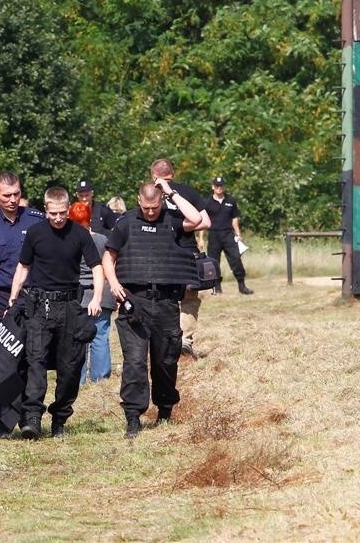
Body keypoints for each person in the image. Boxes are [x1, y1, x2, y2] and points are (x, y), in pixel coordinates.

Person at [103, 181, 202, 438]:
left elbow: (198, 219)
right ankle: (133, 417)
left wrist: (171, 192)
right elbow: (108, 256)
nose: (150, 212)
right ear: (138, 201)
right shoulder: (125, 223)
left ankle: (165, 410)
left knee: (166, 359)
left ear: (161, 201)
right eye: (146, 207)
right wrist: (113, 284)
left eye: (155, 206)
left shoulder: (172, 220)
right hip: (134, 300)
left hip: (167, 301)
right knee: (135, 361)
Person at [8, 187, 103, 439]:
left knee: (70, 367)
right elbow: (23, 267)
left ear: (68, 209)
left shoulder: (80, 234)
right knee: (35, 361)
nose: (58, 218)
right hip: (39, 305)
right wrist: (13, 296)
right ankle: (32, 418)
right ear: (46, 209)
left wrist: (96, 297)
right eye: (53, 214)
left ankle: (60, 417)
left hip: (70, 306)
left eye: (62, 213)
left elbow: (97, 267)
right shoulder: (36, 233)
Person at [0, 171, 46, 437]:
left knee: (29, 357)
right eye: (6, 195)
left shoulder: (38, 220)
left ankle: (29, 415)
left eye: (16, 193)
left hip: (31, 298)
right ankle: (2, 416)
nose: (13, 199)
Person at [149, 158, 211, 358]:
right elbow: (206, 222)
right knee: (190, 300)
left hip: (161, 255)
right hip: (189, 254)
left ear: (153, 176)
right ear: (173, 174)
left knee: (164, 299)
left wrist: (175, 226)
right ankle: (185, 341)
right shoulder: (188, 192)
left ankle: (167, 342)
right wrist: (185, 225)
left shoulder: (150, 194)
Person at [68, 201, 116, 384]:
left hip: (79, 296)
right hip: (102, 293)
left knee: (78, 339)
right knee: (100, 336)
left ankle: (77, 381)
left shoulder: (69, 241)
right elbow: (110, 266)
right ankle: (100, 380)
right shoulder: (103, 240)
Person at [201, 177, 253, 295]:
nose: (219, 188)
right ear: (213, 187)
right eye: (217, 185)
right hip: (214, 235)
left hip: (228, 234)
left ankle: (242, 286)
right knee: (214, 262)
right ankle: (217, 288)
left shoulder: (231, 200)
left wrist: (238, 234)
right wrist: (201, 239)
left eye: (221, 186)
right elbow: (204, 221)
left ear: (224, 187)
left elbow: (234, 219)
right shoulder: (207, 202)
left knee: (235, 259)